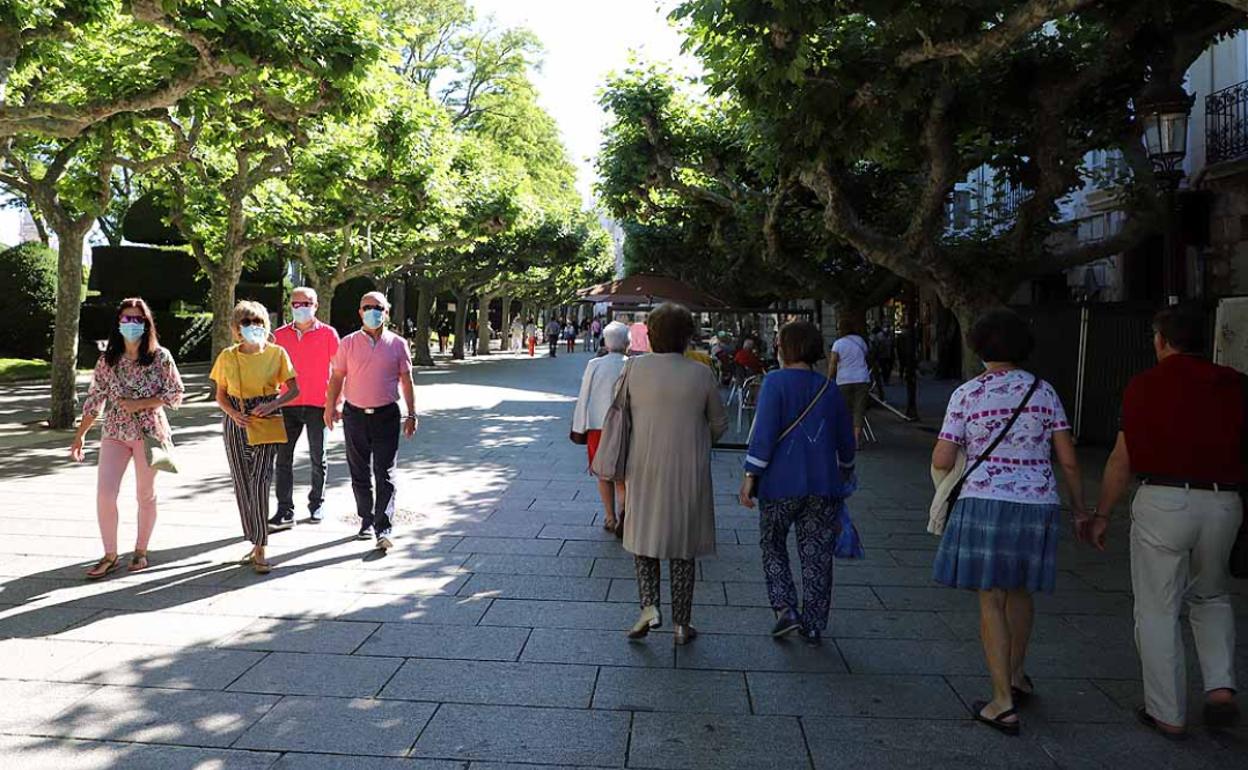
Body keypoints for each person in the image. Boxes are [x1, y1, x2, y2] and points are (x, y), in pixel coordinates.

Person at [1088, 305, 1244, 737]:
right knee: (1212, 595)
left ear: (1161, 340)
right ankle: (1220, 685)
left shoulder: (1143, 387)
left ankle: (1167, 711)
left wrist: (1103, 514)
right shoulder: (1235, 384)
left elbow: (1122, 459)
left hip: (1163, 498)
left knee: (1157, 607)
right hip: (1224, 501)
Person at [930, 309, 1085, 736]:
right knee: (1020, 590)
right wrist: (1082, 509)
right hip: (1037, 502)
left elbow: (943, 458)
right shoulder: (1043, 391)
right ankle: (1017, 674)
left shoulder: (967, 394)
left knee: (991, 598)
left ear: (978, 347)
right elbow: (1068, 460)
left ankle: (1001, 702)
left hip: (985, 501)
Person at [738, 321, 856, 645]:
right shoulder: (828, 387)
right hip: (823, 484)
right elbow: (846, 441)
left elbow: (763, 435)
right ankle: (814, 623)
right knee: (817, 553)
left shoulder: (774, 383)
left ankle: (785, 606)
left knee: (773, 543)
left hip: (779, 483)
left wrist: (751, 476)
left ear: (783, 348)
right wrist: (846, 470)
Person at [621, 303, 728, 646]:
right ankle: (682, 624)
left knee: (644, 537)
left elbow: (621, 417)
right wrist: (699, 441)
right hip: (689, 468)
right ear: (687, 337)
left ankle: (648, 606)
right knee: (684, 546)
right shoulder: (701, 373)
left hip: (644, 464)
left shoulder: (634, 369)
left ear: (650, 335)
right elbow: (719, 423)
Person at [70, 298, 185, 579]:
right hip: (115, 433)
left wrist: (143, 402)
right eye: (126, 319)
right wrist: (80, 436)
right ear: (118, 323)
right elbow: (94, 400)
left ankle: (140, 550)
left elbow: (176, 394)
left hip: (149, 433)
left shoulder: (160, 357)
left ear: (146, 324)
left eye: (137, 319)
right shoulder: (107, 361)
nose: (131, 324)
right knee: (105, 494)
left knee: (145, 494)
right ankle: (110, 554)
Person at [210, 301, 301, 574]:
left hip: (266, 419)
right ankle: (253, 536)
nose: (253, 327)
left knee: (260, 480)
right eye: (247, 323)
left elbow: (293, 389)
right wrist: (233, 414)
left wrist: (272, 406)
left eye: (258, 322)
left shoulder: (277, 353)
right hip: (236, 419)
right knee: (241, 482)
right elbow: (220, 395)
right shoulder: (227, 356)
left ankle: (261, 546)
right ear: (237, 329)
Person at [324, 292, 418, 551]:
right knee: (359, 471)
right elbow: (337, 378)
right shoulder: (348, 343)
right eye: (367, 307)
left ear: (386, 312)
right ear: (360, 312)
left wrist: (412, 413)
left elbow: (407, 380)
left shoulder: (398, 344)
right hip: (354, 415)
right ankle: (365, 520)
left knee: (385, 473)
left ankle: (383, 527)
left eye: (378, 308)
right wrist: (330, 406)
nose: (372, 312)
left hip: (386, 415)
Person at [270, 287, 340, 530]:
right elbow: (270, 369)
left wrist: (335, 403)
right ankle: (284, 509)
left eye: (307, 303)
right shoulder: (278, 336)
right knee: (283, 459)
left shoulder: (329, 334)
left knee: (317, 457)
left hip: (318, 405)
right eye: (296, 303)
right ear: (290, 305)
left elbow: (340, 372)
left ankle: (316, 503)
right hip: (286, 405)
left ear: (316, 305)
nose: (301, 308)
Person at [572, 321, 630, 534]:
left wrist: (579, 427)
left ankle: (610, 517)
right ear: (627, 342)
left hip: (597, 425)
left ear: (606, 341)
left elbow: (583, 396)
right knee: (623, 474)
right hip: (625, 426)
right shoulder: (632, 364)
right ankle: (624, 513)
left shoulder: (594, 365)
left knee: (603, 474)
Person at [828, 322, 872, 446]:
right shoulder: (861, 341)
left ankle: (845, 438)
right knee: (859, 410)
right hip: (862, 378)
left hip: (844, 380)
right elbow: (866, 357)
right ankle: (856, 439)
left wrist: (829, 378)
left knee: (844, 410)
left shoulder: (838, 344)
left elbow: (833, 363)